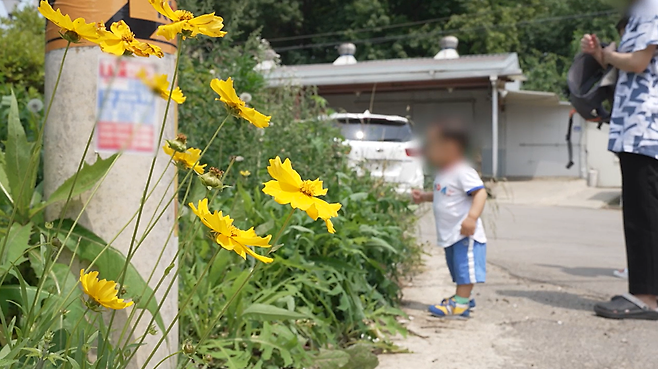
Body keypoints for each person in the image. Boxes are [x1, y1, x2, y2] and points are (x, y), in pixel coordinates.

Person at [581, 0, 658, 319]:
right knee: (647, 210)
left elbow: (639, 62)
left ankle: (645, 296)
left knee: (643, 213)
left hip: (644, 127)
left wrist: (607, 55)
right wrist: (601, 53)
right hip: (641, 126)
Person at [412, 122, 487, 318]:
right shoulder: (444, 173)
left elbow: (480, 193)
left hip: (464, 232)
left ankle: (460, 304)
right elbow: (443, 195)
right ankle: (464, 297)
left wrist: (472, 218)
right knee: (456, 268)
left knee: (464, 268)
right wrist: (424, 196)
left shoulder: (462, 170)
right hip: (450, 233)